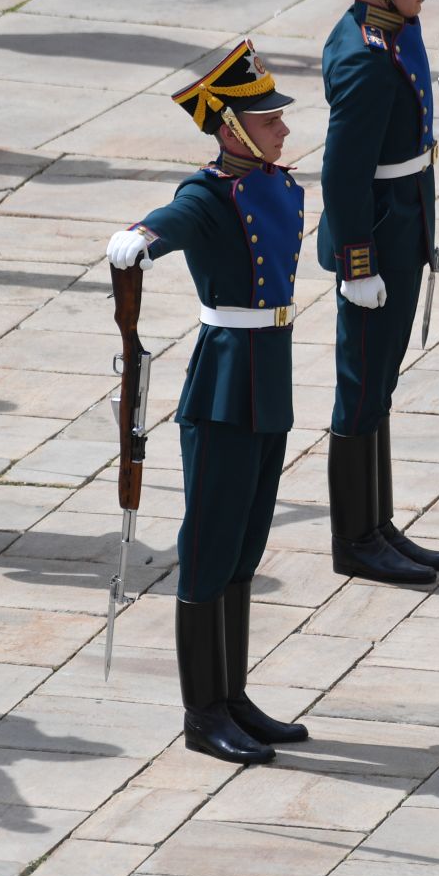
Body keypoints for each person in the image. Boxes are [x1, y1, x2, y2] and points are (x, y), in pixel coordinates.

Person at [104, 42, 309, 765]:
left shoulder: (279, 186)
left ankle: (234, 695)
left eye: (280, 117)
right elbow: (173, 219)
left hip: (270, 377)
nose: (283, 128)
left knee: (246, 544)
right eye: (268, 119)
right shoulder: (210, 194)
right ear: (230, 129)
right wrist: (138, 239)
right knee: (210, 543)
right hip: (225, 381)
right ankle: (203, 712)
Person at [309, 0, 439, 586]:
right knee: (361, 386)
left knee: (382, 381)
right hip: (377, 227)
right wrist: (357, 265)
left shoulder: (395, 4)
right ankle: (354, 538)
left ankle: (378, 525)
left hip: (405, 212)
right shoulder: (364, 60)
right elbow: (342, 173)